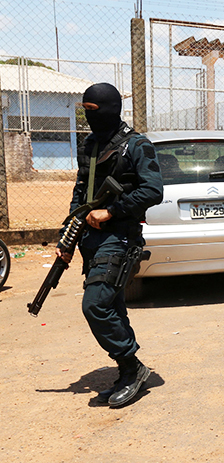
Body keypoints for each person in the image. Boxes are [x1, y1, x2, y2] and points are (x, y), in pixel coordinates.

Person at [55, 83, 163, 407]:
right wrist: (68, 236)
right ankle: (127, 372)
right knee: (111, 305)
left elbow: (153, 190)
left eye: (93, 110)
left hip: (121, 236)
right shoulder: (89, 144)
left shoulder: (136, 145)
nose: (89, 117)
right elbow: (81, 190)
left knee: (95, 305)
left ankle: (133, 366)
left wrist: (112, 210)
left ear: (111, 109)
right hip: (91, 238)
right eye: (85, 110)